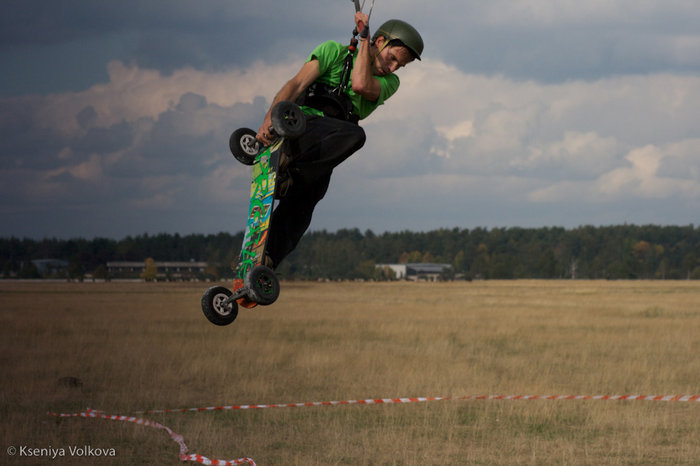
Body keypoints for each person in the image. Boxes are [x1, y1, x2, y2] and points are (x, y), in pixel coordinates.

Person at [256, 11, 423, 269]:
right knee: (355, 134)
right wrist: (270, 118)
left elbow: (359, 84)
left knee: (307, 200)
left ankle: (264, 262)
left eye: (399, 66)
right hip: (301, 129)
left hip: (325, 149)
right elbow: (296, 85)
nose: (392, 68)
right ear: (381, 42)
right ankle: (286, 162)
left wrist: (364, 39)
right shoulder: (333, 51)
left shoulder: (389, 82)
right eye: (392, 59)